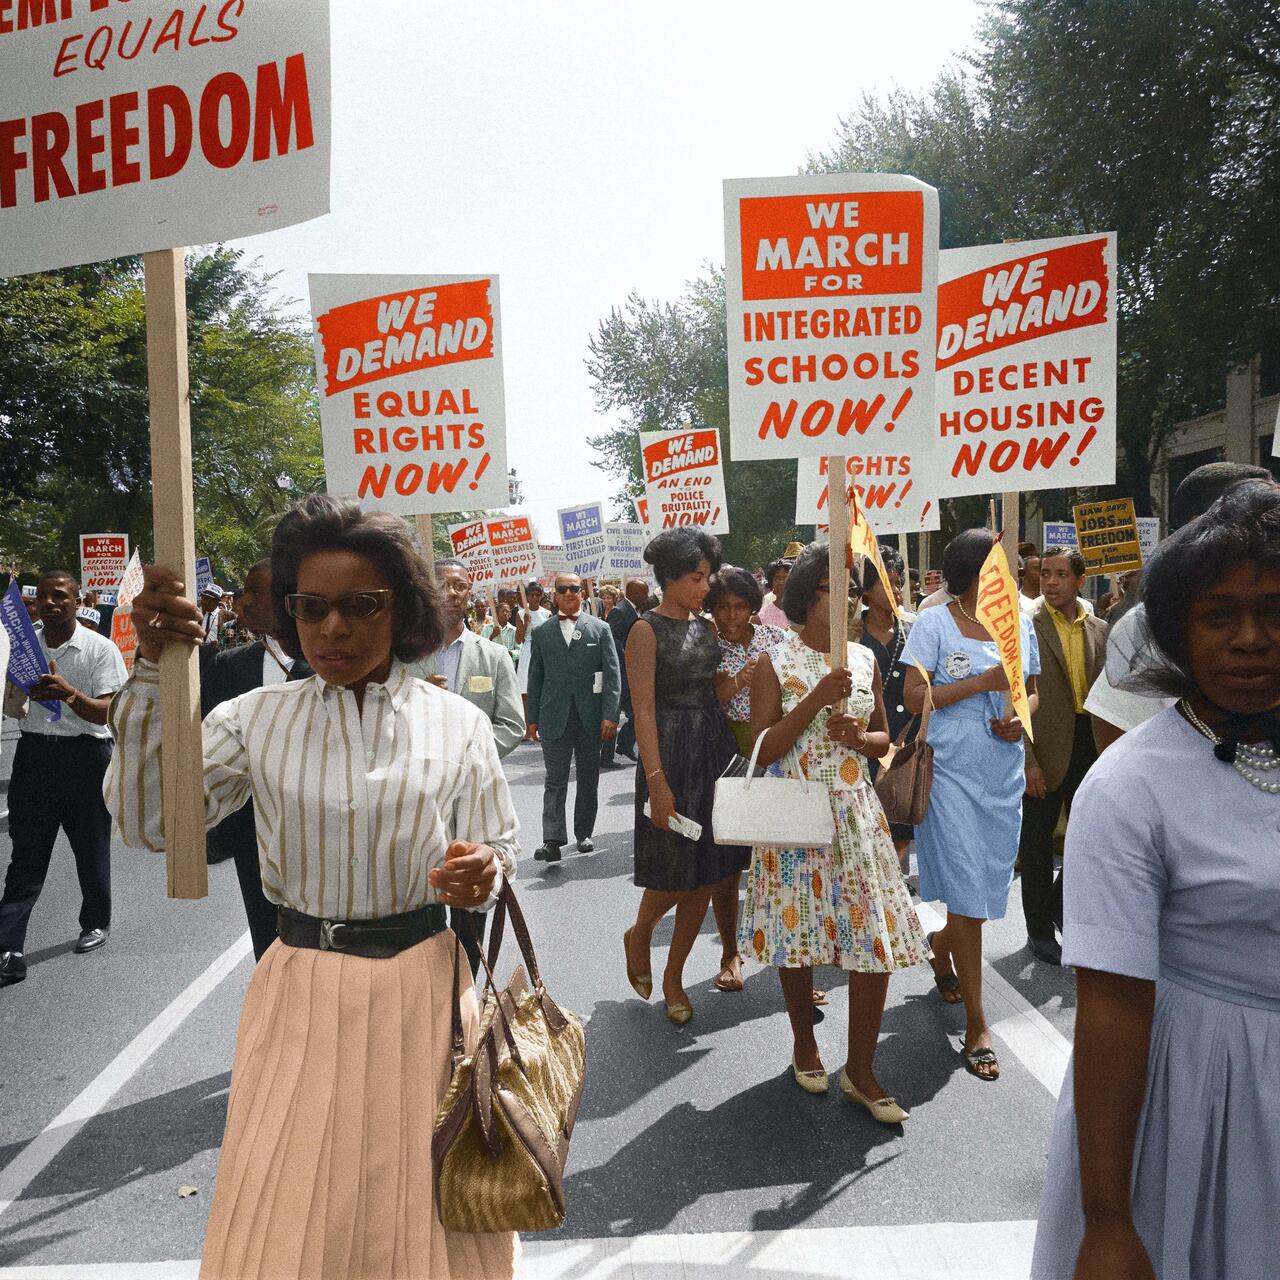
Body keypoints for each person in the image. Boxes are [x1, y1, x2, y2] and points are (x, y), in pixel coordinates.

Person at [107, 495, 519, 1279]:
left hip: (425, 993)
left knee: (421, 1207)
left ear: (402, 611)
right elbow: (152, 821)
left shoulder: (456, 723)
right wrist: (153, 675)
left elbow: (499, 845)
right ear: (289, 612)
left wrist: (484, 873)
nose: (333, 628)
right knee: (293, 1206)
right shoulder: (253, 718)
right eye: (311, 606)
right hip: (301, 988)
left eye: (360, 606)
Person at [1032, 480, 1280, 1280]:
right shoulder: (1129, 787)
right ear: (1177, 630)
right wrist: (1108, 1219)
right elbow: (1110, 1007)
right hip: (1204, 1107)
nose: (1251, 639)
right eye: (1219, 616)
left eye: (1275, 612)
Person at [742, 544, 928, 1113]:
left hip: (855, 813)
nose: (846, 596)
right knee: (797, 938)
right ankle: (804, 1041)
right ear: (807, 595)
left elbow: (884, 742)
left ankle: (863, 1070)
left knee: (872, 938)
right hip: (795, 811)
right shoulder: (777, 660)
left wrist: (860, 738)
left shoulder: (866, 660)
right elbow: (762, 747)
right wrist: (816, 702)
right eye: (833, 587)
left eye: (850, 585)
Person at [902, 530, 1040, 1081]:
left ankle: (941, 949)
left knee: (981, 886)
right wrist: (978, 682)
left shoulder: (1020, 626)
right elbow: (914, 697)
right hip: (950, 774)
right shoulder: (933, 622)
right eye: (995, 565)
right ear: (969, 571)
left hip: (1000, 775)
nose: (1005, 574)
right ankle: (979, 1025)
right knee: (968, 894)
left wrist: (1019, 717)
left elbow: (1032, 691)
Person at [624, 528, 751, 1021]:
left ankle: (674, 978)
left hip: (712, 752)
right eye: (697, 578)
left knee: (708, 874)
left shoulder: (706, 628)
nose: (706, 587)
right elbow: (645, 712)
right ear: (670, 577)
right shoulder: (644, 630)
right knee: (675, 873)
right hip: (669, 758)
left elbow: (711, 693)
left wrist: (744, 677)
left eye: (707, 576)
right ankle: (640, 933)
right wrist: (657, 781)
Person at [1086, 462, 1276, 752]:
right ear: (1198, 526)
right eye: (1218, 618)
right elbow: (1116, 741)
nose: (1250, 640)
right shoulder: (1142, 629)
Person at [0, 571, 128, 986]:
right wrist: (22, 696)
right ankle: (9, 949)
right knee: (26, 856)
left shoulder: (100, 649)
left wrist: (67, 694)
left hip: (85, 758)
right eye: (44, 598)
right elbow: (11, 707)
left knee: (89, 849)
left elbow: (109, 713)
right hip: (35, 756)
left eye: (61, 597)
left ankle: (95, 921)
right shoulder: (24, 648)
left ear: (77, 601)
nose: (51, 604)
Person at [406, 558, 524, 972]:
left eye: (460, 586)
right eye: (443, 584)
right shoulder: (403, 658)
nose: (452, 593)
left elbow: (511, 724)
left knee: (470, 909)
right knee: (422, 900)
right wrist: (414, 693)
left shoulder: (492, 656)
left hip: (474, 803)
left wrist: (469, 761)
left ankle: (466, 995)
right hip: (417, 804)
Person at [198, 559, 312, 962]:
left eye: (254, 591)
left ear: (287, 599)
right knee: (268, 946)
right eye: (242, 592)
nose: (243, 602)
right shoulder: (228, 666)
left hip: (316, 828)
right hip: (252, 832)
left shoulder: (329, 662)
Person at [1018, 547, 1108, 966]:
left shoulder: (1099, 629)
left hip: (1091, 746)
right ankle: (1038, 932)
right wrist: (1028, 761)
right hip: (1043, 749)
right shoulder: (1026, 626)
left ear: (1079, 581)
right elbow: (1015, 699)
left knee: (1089, 841)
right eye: (1044, 575)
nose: (1050, 582)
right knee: (1036, 846)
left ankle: (1059, 905)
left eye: (1059, 575)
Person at [526, 572, 620, 862]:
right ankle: (552, 840)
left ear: (582, 593)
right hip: (554, 717)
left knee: (588, 777)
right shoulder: (542, 633)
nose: (568, 593)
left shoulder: (600, 629)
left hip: (590, 718)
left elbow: (613, 676)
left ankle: (584, 833)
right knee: (555, 779)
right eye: (562, 589)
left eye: (574, 589)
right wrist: (532, 719)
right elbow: (535, 678)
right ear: (554, 595)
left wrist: (610, 715)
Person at [858, 549, 916, 872]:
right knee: (869, 824)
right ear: (865, 590)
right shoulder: (851, 633)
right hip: (867, 741)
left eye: (898, 582)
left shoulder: (913, 629)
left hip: (904, 741)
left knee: (900, 827)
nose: (895, 590)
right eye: (885, 582)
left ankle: (894, 885)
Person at [709, 565, 787, 756]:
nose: (732, 616)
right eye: (723, 607)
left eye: (741, 607)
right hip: (727, 744)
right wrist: (739, 680)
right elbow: (706, 703)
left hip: (775, 739)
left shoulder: (775, 638)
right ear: (712, 609)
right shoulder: (709, 649)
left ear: (752, 607)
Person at [600, 577, 647, 766]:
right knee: (613, 714)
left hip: (629, 674)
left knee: (636, 713)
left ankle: (625, 744)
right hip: (620, 674)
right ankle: (606, 757)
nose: (647, 596)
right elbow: (610, 643)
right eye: (644, 592)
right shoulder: (620, 612)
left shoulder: (631, 610)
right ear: (634, 592)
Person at [514, 579, 552, 739]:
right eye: (532, 595)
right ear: (527, 596)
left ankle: (542, 726)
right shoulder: (521, 613)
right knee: (525, 691)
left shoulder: (547, 613)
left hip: (542, 651)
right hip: (527, 651)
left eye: (538, 595)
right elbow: (518, 639)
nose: (535, 598)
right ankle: (528, 728)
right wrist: (524, 624)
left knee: (542, 689)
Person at [480, 599, 519, 665]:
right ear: (496, 614)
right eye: (504, 611)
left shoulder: (514, 630)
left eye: (508, 611)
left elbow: (520, 650)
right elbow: (481, 647)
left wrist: (510, 653)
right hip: (491, 665)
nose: (506, 613)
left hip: (508, 665)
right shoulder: (487, 628)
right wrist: (492, 636)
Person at [758, 556, 793, 629]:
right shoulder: (767, 603)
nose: (781, 582)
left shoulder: (801, 606)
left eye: (785, 578)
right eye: (777, 578)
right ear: (771, 581)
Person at [1018, 550, 1042, 615]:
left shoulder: (1048, 600)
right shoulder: (1016, 600)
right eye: (1037, 568)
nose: (1042, 573)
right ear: (1023, 572)